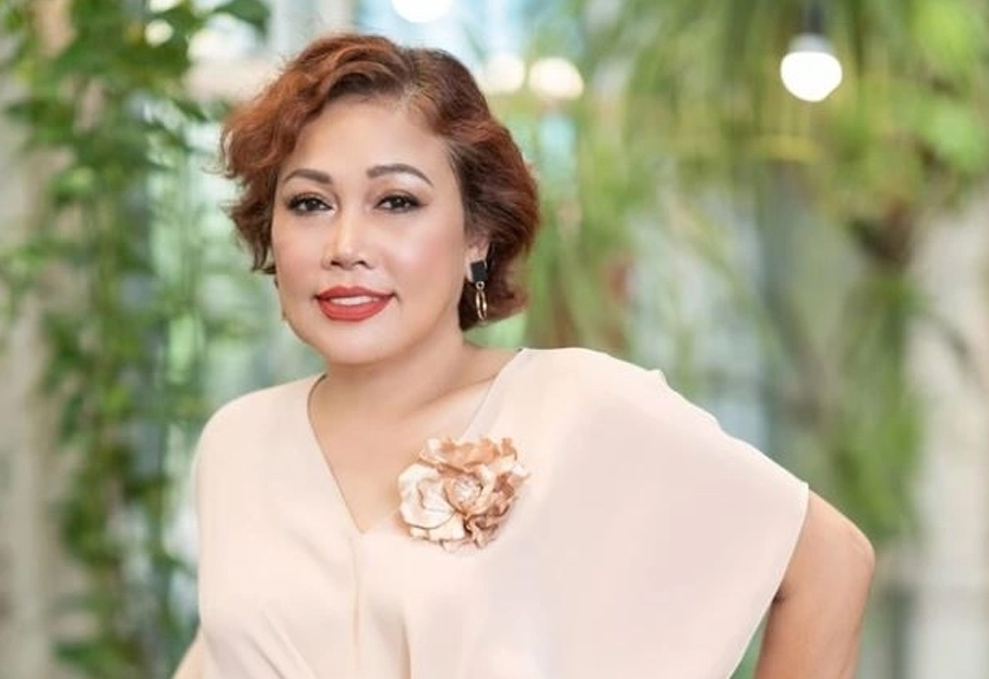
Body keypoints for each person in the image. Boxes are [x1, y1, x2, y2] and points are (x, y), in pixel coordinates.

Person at [171, 32, 874, 679]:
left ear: (476, 234)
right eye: (308, 203)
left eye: (396, 201)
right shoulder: (238, 440)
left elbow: (830, 562)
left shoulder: (576, 405)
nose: (345, 246)